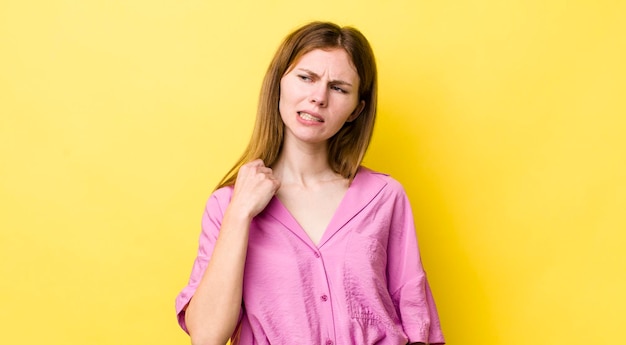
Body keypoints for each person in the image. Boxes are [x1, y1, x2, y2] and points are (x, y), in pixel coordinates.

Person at [175, 21, 445, 345]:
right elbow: (206, 337)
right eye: (306, 78)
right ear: (279, 84)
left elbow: (417, 323)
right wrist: (240, 213)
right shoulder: (228, 206)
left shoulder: (385, 198)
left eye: (339, 88)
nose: (318, 98)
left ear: (356, 110)